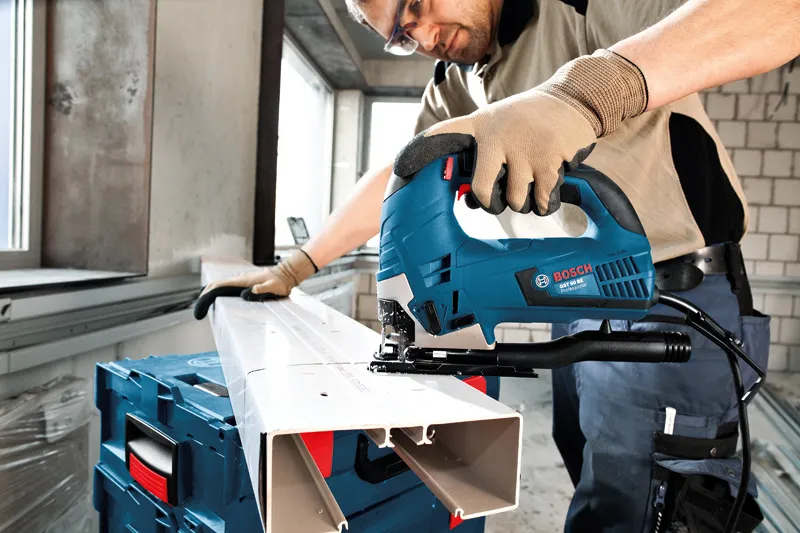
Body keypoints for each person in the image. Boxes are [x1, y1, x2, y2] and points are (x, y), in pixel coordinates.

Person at [200, 1, 799, 530]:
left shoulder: (576, 6)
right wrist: (297, 266)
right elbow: (403, 173)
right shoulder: (457, 78)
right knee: (602, 486)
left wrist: (587, 93)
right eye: (402, 36)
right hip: (583, 307)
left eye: (417, 4)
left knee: (649, 505)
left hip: (677, 298)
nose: (425, 37)